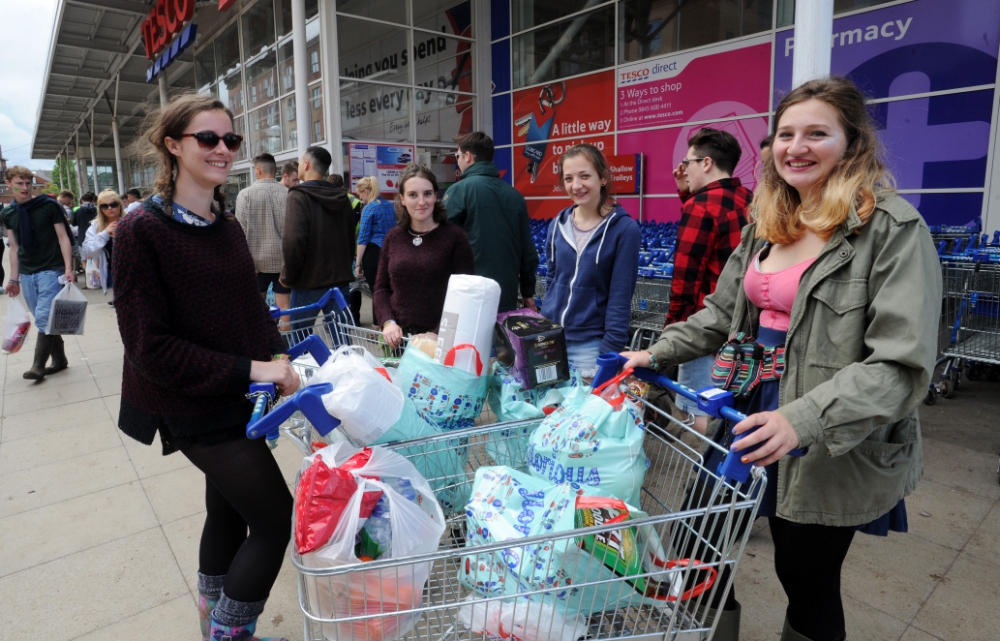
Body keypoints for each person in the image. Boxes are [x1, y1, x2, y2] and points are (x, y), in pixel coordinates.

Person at [621, 77, 941, 641]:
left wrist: (801, 420)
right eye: (786, 133)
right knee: (697, 543)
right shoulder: (766, 226)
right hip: (745, 407)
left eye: (818, 133)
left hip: (825, 422)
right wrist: (654, 351)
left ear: (852, 143)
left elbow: (900, 365)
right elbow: (719, 316)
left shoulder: (891, 229)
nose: (797, 146)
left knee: (805, 575)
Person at [114, 93, 298, 641]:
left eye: (231, 140)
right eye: (208, 139)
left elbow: (250, 309)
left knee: (228, 515)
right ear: (173, 145)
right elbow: (150, 347)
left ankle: (210, 619)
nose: (223, 150)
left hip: (236, 397)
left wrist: (277, 353)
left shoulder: (227, 223)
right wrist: (255, 369)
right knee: (272, 519)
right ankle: (230, 634)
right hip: (189, 402)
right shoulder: (139, 230)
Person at [668, 128, 752, 435]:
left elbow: (686, 278)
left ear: (705, 163)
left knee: (696, 410)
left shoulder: (700, 206)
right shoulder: (748, 197)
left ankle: (704, 475)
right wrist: (686, 192)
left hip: (704, 326)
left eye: (687, 162)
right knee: (727, 402)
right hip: (742, 326)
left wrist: (673, 330)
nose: (683, 168)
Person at [540, 144, 640, 378]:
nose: (576, 185)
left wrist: (609, 352)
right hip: (552, 340)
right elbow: (552, 278)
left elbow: (620, 296)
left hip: (590, 345)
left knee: (586, 413)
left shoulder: (624, 230)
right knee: (550, 411)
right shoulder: (557, 225)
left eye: (585, 176)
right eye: (568, 178)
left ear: (603, 178)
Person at [374, 164, 475, 348]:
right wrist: (388, 322)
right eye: (413, 195)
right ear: (402, 199)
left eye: (427, 194)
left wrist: (437, 333)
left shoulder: (455, 238)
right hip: (398, 339)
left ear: (436, 196)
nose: (422, 201)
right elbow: (381, 289)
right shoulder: (394, 238)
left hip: (441, 339)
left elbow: (464, 295)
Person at [445, 131, 538, 313]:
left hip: (467, 296)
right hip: (505, 296)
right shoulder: (515, 196)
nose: (458, 161)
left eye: (458, 156)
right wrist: (528, 291)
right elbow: (528, 251)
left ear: (468, 156)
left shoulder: (459, 191)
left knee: (467, 343)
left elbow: (441, 246)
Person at [1, 166, 76, 380]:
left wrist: (68, 268)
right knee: (44, 318)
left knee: (43, 317)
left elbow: (63, 238)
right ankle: (60, 360)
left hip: (51, 268)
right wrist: (13, 279)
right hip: (27, 272)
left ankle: (37, 366)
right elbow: (14, 247)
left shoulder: (49, 205)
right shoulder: (7, 213)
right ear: (9, 183)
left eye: (28, 183)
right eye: (19, 183)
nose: (25, 188)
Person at [280, 146, 355, 328]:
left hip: (308, 281)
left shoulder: (298, 196)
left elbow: (293, 242)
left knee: (300, 341)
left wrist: (287, 276)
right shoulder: (343, 198)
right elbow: (350, 237)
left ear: (306, 164)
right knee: (343, 344)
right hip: (339, 280)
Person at [236, 153, 291, 323]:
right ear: (275, 170)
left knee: (256, 310)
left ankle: (263, 344)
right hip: (284, 262)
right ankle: (286, 345)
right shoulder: (290, 193)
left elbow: (239, 233)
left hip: (256, 264)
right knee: (285, 309)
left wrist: (245, 262)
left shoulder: (245, 195)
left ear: (258, 170)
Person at [354, 176, 396, 323]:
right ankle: (386, 323)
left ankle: (378, 327)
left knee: (376, 291)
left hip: (373, 253)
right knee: (387, 289)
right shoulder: (389, 205)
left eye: (360, 193)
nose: (359, 197)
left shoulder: (369, 208)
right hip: (390, 252)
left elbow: (363, 238)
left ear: (365, 191)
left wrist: (358, 263)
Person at [81, 189, 122, 304]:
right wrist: (105, 233)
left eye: (113, 204)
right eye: (104, 206)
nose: (110, 208)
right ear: (100, 208)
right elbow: (88, 250)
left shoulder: (131, 220)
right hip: (111, 270)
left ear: (120, 204)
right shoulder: (96, 226)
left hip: (134, 270)